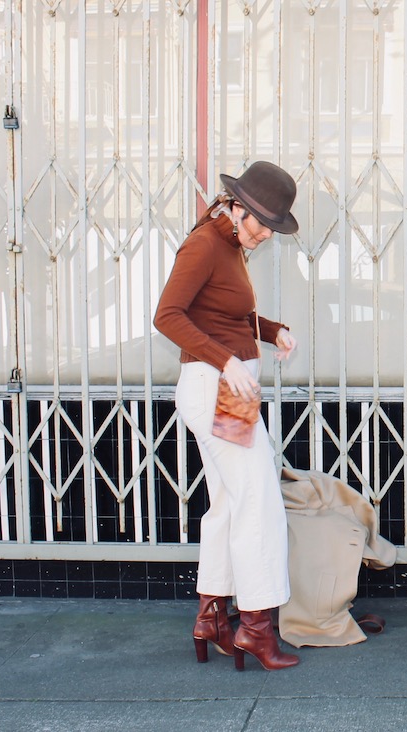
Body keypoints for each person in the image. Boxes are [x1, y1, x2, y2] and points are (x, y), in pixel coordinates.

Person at [154, 161, 301, 670]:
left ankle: (212, 617)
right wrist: (225, 360)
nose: (266, 235)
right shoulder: (205, 244)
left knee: (229, 504)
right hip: (215, 390)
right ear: (236, 207)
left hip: (226, 393)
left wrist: (273, 331)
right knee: (259, 502)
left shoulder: (231, 244)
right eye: (262, 223)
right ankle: (256, 628)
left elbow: (227, 313)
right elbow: (167, 315)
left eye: (273, 227)